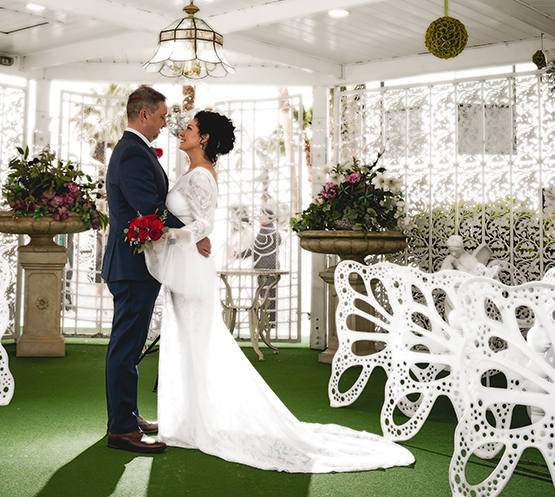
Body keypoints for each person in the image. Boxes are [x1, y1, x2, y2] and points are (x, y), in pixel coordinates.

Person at [146, 110, 416, 473]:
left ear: (204, 138)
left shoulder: (203, 175)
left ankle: (200, 420)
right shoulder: (191, 172)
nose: (183, 131)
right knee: (186, 342)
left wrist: (164, 235)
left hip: (193, 269)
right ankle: (187, 418)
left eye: (190, 128)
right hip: (185, 266)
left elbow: (205, 224)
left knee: (196, 341)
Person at [102, 86, 210, 455]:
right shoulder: (133, 151)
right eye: (162, 116)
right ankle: (121, 430)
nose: (166, 124)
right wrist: (194, 234)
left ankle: (127, 417)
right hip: (131, 265)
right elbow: (149, 207)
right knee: (126, 348)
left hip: (136, 264)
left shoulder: (135, 149)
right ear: (144, 114)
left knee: (129, 347)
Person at [239, 207, 281, 328]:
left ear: (267, 218)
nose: (259, 218)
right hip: (274, 263)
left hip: (265, 266)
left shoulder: (265, 231)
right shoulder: (274, 230)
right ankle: (271, 321)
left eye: (261, 216)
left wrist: (240, 255)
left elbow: (256, 248)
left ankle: (265, 321)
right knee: (271, 293)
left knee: (264, 293)